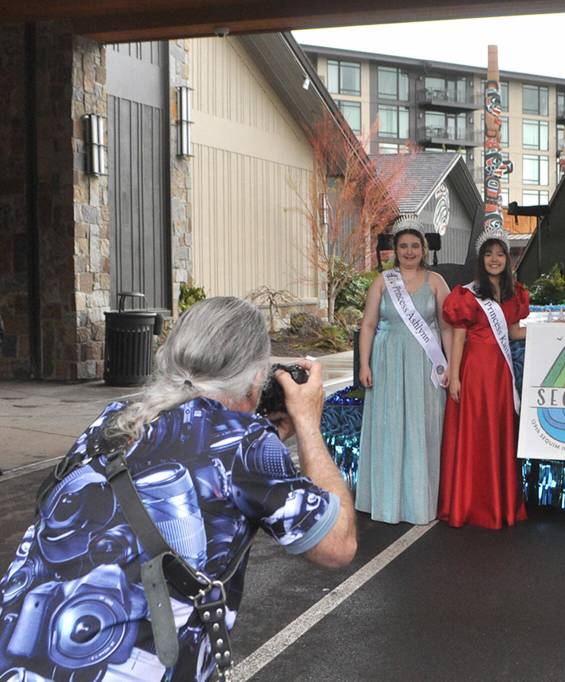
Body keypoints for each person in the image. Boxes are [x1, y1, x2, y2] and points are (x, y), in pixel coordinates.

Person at [0, 297, 356, 680]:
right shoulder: (245, 445)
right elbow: (338, 545)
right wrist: (307, 424)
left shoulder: (115, 418)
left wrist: (255, 441)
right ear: (257, 379)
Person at [358, 226, 452, 525]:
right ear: (395, 251)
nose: (409, 252)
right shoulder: (383, 282)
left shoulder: (436, 282)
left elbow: (448, 327)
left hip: (425, 364)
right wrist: (364, 364)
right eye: (403, 247)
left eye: (414, 246)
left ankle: (419, 500)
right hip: (387, 362)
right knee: (389, 425)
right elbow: (369, 325)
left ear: (423, 249)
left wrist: (450, 364)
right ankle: (387, 501)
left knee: (422, 426)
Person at [438, 228, 529, 529]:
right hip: (475, 371)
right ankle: (469, 503)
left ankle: (498, 503)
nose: (494, 259)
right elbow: (459, 338)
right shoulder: (467, 294)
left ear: (508, 258)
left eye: (500, 253)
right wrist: (455, 377)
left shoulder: (514, 294)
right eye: (489, 254)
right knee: (475, 434)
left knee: (498, 433)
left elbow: (514, 332)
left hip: (500, 373)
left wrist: (551, 331)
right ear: (481, 259)